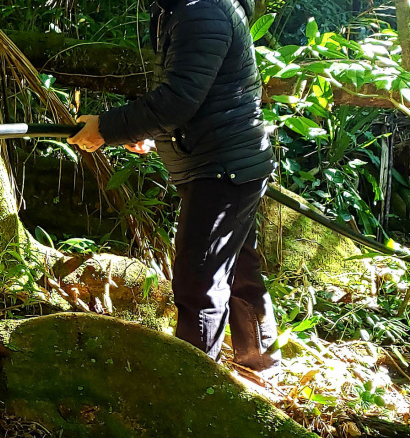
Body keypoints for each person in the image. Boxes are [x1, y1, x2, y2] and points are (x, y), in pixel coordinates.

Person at [67, 0, 281, 373]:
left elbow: (178, 100)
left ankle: (194, 386)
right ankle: (259, 365)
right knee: (240, 267)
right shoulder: (179, 8)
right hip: (228, 163)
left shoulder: (200, 9)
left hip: (223, 167)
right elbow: (197, 94)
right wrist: (150, 133)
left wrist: (108, 127)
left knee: (199, 281)